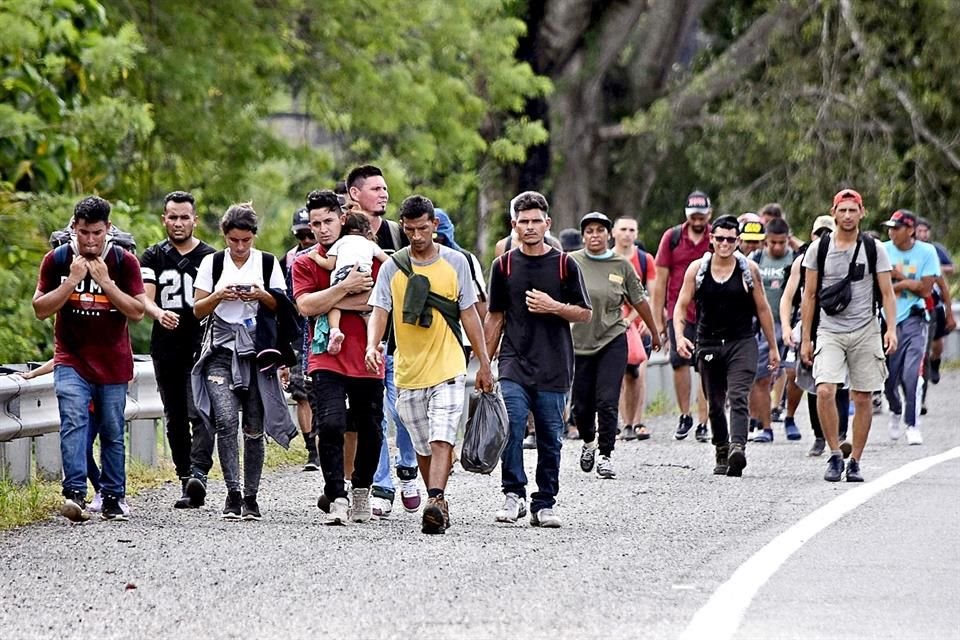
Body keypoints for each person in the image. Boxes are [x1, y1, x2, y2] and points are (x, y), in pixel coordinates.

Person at [365, 195, 494, 534]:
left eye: (423, 228)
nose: (417, 236)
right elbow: (380, 309)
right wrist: (372, 344)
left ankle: (434, 499)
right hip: (408, 370)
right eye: (410, 230)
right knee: (423, 445)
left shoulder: (457, 262)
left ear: (435, 225)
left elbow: (469, 313)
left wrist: (483, 362)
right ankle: (437, 500)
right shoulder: (393, 266)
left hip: (449, 364)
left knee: (442, 436)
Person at [33, 195, 146, 522]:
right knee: (73, 420)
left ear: (108, 229)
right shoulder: (57, 259)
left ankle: (113, 496)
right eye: (84, 232)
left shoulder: (124, 262)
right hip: (71, 358)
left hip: (113, 362)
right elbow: (40, 309)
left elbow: (137, 312)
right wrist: (71, 281)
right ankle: (74, 493)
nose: (90, 240)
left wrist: (105, 283)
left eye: (97, 232)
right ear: (74, 229)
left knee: (112, 430)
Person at [484, 191, 592, 528]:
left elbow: (585, 313)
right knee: (512, 427)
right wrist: (485, 365)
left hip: (554, 364)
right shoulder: (503, 266)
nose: (530, 227)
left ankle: (544, 502)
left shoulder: (564, 264)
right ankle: (513, 493)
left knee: (549, 437)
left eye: (536, 221)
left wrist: (554, 307)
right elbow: (495, 317)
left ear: (547, 223)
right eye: (523, 221)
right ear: (513, 224)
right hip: (514, 362)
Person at [192, 203, 297, 520]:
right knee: (225, 420)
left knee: (253, 425)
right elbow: (197, 310)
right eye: (234, 240)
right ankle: (232, 492)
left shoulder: (266, 263)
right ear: (225, 236)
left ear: (253, 237)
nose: (239, 247)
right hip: (220, 351)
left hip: (256, 351)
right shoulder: (212, 263)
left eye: (246, 241)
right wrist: (219, 296)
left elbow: (282, 305)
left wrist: (259, 295)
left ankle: (251, 496)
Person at [293, 189, 385, 525]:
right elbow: (305, 306)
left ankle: (362, 490)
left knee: (371, 426)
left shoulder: (366, 253)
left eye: (328, 221)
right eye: (315, 223)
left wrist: (329, 301)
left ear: (342, 218)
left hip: (367, 353)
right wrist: (345, 289)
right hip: (325, 355)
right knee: (330, 423)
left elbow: (379, 302)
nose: (322, 229)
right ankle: (337, 495)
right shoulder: (305, 262)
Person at [800, 189, 898, 483]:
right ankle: (834, 452)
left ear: (861, 213)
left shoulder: (873, 248)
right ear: (834, 213)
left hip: (865, 329)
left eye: (852, 211)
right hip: (830, 330)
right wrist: (806, 337)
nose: (847, 216)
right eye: (842, 211)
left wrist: (891, 328)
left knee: (863, 396)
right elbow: (810, 295)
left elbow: (887, 292)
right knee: (826, 389)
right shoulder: (819, 249)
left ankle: (855, 459)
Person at [673, 215, 779, 477]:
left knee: (738, 395)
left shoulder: (748, 270)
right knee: (715, 403)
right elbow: (681, 306)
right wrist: (678, 335)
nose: (724, 244)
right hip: (708, 341)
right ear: (711, 239)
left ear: (738, 241)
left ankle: (737, 448)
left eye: (730, 240)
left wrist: (774, 347)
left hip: (741, 341)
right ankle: (721, 446)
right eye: (719, 238)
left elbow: (763, 309)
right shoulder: (697, 269)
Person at [347, 164, 421, 518]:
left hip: (400, 343)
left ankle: (408, 467)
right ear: (354, 194)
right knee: (372, 419)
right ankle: (381, 484)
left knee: (404, 412)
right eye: (375, 188)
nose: (384, 193)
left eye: (385, 188)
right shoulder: (343, 235)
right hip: (360, 345)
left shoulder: (397, 233)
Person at [140, 190, 216, 508]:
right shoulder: (153, 255)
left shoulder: (211, 257)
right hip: (166, 346)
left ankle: (199, 471)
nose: (178, 223)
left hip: (201, 346)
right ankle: (185, 477)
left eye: (185, 217)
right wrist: (158, 312)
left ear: (195, 220)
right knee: (175, 416)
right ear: (164, 219)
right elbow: (144, 295)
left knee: (200, 411)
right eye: (172, 217)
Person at [570, 212, 661, 480]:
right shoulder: (571, 262)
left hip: (613, 338)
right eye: (589, 231)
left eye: (600, 230)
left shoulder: (621, 265)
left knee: (607, 400)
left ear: (608, 235)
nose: (595, 235)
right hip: (579, 342)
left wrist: (654, 332)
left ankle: (606, 455)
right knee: (581, 405)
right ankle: (588, 443)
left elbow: (640, 300)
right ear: (583, 235)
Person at [780, 215, 851, 457]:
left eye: (827, 234)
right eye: (818, 234)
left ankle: (841, 435)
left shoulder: (845, 258)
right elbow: (789, 296)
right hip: (811, 327)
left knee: (839, 384)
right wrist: (788, 327)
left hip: (840, 326)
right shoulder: (803, 261)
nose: (822, 239)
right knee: (814, 384)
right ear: (812, 236)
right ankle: (820, 436)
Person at [652, 191, 710, 442]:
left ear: (709, 214)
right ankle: (685, 414)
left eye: (701, 214)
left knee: (706, 366)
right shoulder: (673, 237)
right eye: (693, 215)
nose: (697, 219)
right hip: (679, 312)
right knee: (679, 362)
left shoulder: (716, 237)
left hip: (709, 312)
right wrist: (658, 321)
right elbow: (659, 281)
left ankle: (704, 421)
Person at [881, 210, 940, 445]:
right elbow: (879, 284)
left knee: (911, 374)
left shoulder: (927, 252)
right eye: (890, 228)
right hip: (887, 320)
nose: (891, 232)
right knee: (888, 377)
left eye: (897, 228)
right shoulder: (883, 250)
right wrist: (906, 283)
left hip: (915, 318)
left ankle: (912, 423)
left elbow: (925, 289)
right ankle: (895, 410)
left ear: (910, 230)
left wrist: (898, 281)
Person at [746, 217, 799, 443]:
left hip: (790, 324)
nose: (777, 247)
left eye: (782, 242)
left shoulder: (797, 259)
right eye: (772, 243)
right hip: (762, 326)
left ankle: (789, 416)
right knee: (762, 376)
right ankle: (765, 427)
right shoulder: (755, 260)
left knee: (793, 373)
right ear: (765, 240)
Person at [307, 210, 388, 353]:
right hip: (364, 276)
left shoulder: (341, 242)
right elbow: (387, 261)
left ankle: (335, 331)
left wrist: (315, 257)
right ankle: (375, 342)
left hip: (344, 275)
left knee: (333, 305)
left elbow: (329, 264)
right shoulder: (370, 244)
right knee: (368, 313)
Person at [280, 206, 320, 472]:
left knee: (323, 395)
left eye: (309, 234)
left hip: (323, 332)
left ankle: (326, 440)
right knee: (302, 394)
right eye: (301, 235)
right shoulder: (289, 260)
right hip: (298, 335)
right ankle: (311, 450)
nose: (306, 240)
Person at [612, 215, 657, 441]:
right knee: (617, 374)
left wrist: (650, 323)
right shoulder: (607, 259)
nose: (627, 234)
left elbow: (651, 295)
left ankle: (637, 421)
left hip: (638, 326)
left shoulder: (644, 259)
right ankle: (622, 421)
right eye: (623, 229)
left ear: (636, 234)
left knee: (638, 373)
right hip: (613, 324)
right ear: (614, 233)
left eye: (632, 230)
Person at [915, 217, 956, 390]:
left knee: (937, 343)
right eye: (920, 231)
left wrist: (936, 265)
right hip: (916, 302)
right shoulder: (910, 250)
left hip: (936, 300)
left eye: (926, 231)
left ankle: (935, 362)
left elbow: (951, 268)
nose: (923, 234)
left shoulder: (935, 250)